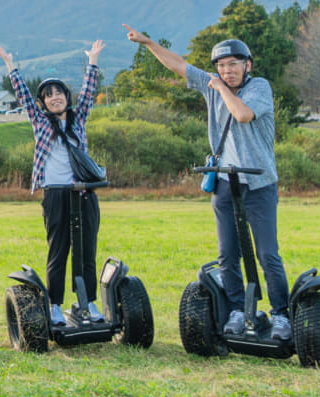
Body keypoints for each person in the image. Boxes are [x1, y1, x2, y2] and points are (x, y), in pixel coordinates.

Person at [122, 25, 291, 340]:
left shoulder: (259, 88)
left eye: (233, 65)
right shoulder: (211, 83)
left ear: (247, 65)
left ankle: (282, 315)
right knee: (228, 254)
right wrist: (148, 43)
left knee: (267, 255)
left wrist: (221, 88)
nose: (226, 71)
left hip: (258, 185)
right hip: (226, 183)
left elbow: (241, 114)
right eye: (221, 67)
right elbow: (178, 65)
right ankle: (238, 310)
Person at [0, 40, 106, 324]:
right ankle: (55, 306)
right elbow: (23, 97)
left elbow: (90, 92)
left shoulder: (78, 121)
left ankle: (88, 303)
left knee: (86, 251)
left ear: (67, 97)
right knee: (59, 250)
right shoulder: (41, 122)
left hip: (83, 193)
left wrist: (92, 61)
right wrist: (11, 65)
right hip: (54, 194)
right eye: (49, 95)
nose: (55, 98)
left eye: (59, 93)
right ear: (43, 102)